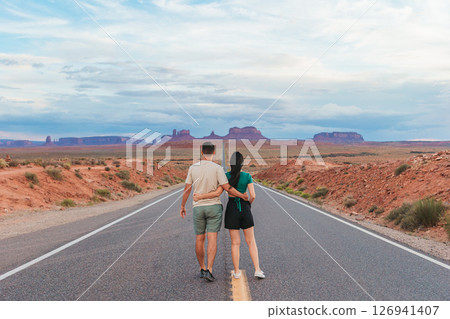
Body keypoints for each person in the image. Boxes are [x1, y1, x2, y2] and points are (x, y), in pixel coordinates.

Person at [180, 143, 248, 282]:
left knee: (199, 238)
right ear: (214, 152)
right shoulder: (218, 168)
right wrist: (242, 196)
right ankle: (210, 270)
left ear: (201, 151)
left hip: (198, 207)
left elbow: (187, 189)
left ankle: (202, 268)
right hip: (214, 207)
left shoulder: (193, 168)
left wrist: (182, 206)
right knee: (212, 239)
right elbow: (227, 187)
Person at [193, 151, 265, 279]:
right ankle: (257, 270)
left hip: (232, 209)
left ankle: (236, 272)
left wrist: (200, 197)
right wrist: (248, 204)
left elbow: (218, 192)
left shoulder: (226, 176)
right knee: (251, 241)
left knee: (235, 243)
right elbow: (253, 195)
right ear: (242, 163)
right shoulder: (247, 176)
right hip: (244, 208)